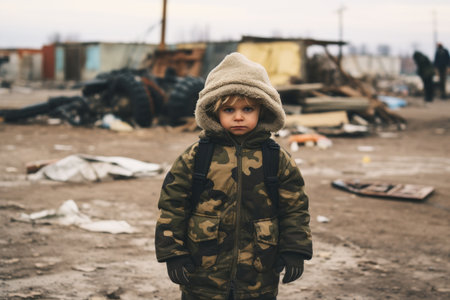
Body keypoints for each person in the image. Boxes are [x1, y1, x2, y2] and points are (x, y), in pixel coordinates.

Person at [155, 52, 312, 300]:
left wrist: (295, 249)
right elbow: (172, 205)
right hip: (203, 274)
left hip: (259, 275)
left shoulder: (275, 158)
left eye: (247, 108)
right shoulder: (197, 156)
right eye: (229, 109)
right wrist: (173, 253)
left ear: (263, 109)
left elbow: (295, 207)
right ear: (213, 111)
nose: (238, 116)